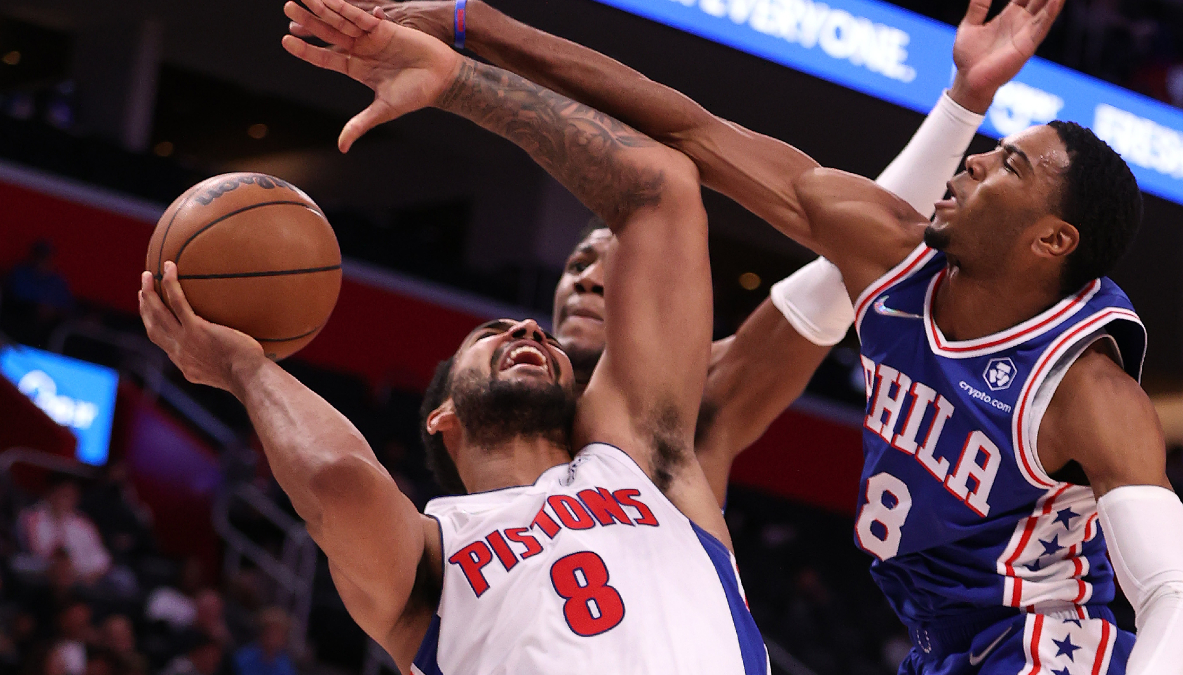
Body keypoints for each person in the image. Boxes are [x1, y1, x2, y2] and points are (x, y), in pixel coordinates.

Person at [342, 0, 1183, 673]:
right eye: (578, 266)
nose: (978, 163)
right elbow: (693, 128)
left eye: (1009, 165)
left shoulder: (1081, 387)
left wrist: (470, 44)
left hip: (1045, 645)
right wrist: (475, 24)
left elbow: (1171, 591)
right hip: (941, 643)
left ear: (1052, 240)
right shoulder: (893, 261)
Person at [141, 2, 762, 674]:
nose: (528, 327)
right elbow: (338, 479)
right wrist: (246, 369)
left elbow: (662, 188)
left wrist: (458, 81)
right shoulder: (433, 557)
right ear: (441, 415)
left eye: (540, 336)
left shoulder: (642, 460)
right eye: (490, 332)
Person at [333, 0, 1061, 506]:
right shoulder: (495, 420)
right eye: (578, 264)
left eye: (613, 265)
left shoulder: (700, 402)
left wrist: (961, 103)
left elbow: (852, 262)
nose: (588, 279)